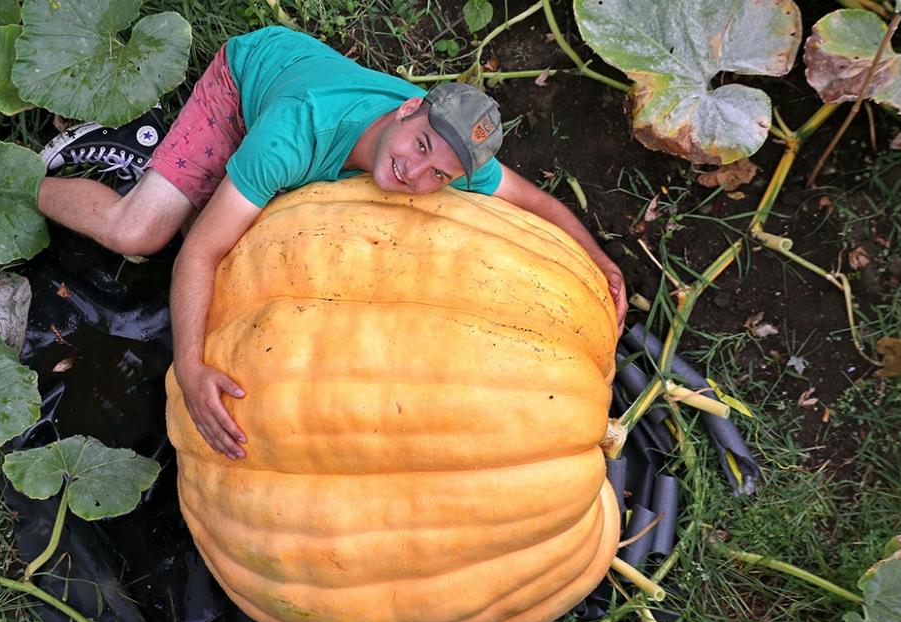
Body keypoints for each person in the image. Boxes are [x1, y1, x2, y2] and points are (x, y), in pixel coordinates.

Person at [37, 25, 627, 461]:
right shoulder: (296, 133)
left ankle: (196, 181)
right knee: (143, 234)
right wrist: (189, 368)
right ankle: (38, 176)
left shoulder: (447, 158)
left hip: (292, 112)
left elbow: (536, 202)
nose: (416, 178)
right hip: (243, 94)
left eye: (440, 176)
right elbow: (201, 256)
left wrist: (600, 261)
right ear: (409, 109)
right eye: (419, 147)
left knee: (248, 240)